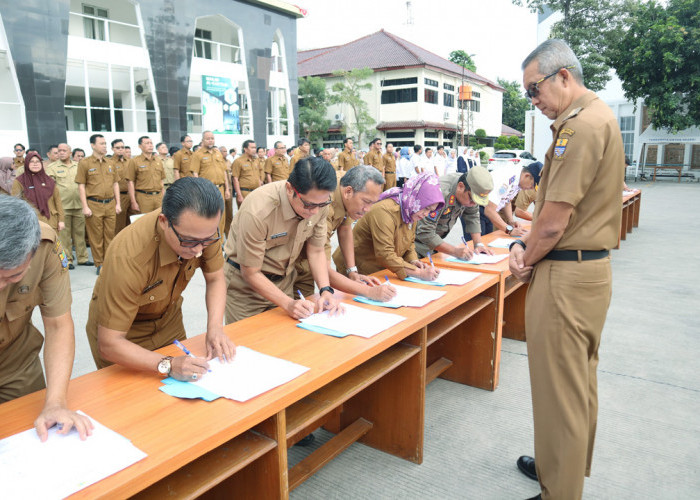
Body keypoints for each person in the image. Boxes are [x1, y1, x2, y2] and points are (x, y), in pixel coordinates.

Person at [509, 39, 624, 500]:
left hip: (565, 275)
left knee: (561, 392)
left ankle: (559, 490)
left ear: (563, 77)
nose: (533, 102)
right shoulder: (590, 119)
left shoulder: (580, 128)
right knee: (574, 386)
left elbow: (554, 222)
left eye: (534, 90)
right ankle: (560, 465)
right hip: (583, 271)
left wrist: (524, 258)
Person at [86, 177, 236, 378]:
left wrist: (215, 327)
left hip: (168, 320)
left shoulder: (202, 230)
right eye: (190, 242)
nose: (200, 249)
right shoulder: (129, 255)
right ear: (164, 222)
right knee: (134, 401)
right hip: (126, 335)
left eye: (207, 240)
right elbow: (110, 343)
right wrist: (168, 364)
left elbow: (216, 278)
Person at [0, 196, 93, 441]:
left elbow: (58, 324)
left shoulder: (44, 245)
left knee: (34, 440)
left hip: (16, 364)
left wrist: (56, 403)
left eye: (11, 277)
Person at [224, 156, 342, 322]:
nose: (315, 211)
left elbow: (316, 251)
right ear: (289, 189)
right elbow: (250, 272)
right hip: (246, 291)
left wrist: (325, 290)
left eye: (322, 204)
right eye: (308, 205)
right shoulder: (258, 211)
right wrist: (288, 304)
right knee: (248, 343)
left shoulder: (319, 203)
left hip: (283, 283)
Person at [294, 164, 396, 301]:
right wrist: (370, 292)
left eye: (372, 203)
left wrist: (352, 271)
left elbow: (345, 227)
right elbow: (323, 268)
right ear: (348, 192)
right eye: (366, 202)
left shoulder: (347, 188)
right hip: (289, 261)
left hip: (305, 262)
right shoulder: (325, 205)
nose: (368, 209)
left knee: (306, 307)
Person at [334, 172, 443, 281]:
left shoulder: (410, 210)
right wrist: (419, 273)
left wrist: (413, 261)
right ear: (417, 199)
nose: (426, 214)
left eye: (430, 210)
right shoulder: (385, 211)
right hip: (356, 270)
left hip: (380, 271)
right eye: (426, 208)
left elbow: (409, 243)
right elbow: (385, 254)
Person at [414, 169, 495, 259]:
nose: (473, 204)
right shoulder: (439, 193)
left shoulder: (471, 186)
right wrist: (454, 251)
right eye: (472, 199)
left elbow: (472, 215)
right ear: (460, 186)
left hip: (434, 244)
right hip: (414, 245)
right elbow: (425, 232)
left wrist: (478, 244)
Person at [75, 134, 122, 275]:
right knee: (96, 236)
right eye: (101, 143)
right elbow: (81, 186)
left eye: (105, 143)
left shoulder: (110, 163)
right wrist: (85, 206)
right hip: (94, 204)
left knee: (109, 235)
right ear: (93, 145)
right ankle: (99, 263)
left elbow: (115, 184)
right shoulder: (85, 163)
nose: (105, 146)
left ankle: (109, 262)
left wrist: (118, 203)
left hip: (110, 203)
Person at [45, 143, 92, 269]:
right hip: (63, 206)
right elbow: (50, 189)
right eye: (59, 151)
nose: (61, 153)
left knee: (80, 233)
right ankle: (68, 260)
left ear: (70, 153)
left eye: (64, 150)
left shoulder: (79, 166)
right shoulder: (52, 167)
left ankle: (82, 258)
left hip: (79, 205)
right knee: (64, 235)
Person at [12, 152, 65, 234]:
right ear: (26, 163)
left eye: (38, 161)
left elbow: (58, 202)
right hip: (31, 223)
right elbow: (15, 204)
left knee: (52, 245)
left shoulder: (49, 180)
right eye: (31, 161)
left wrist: (61, 220)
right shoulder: (20, 181)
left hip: (51, 221)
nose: (35, 164)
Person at [190, 131, 230, 239]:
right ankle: (210, 240)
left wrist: (227, 189)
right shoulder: (198, 154)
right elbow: (195, 174)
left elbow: (224, 172)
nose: (210, 140)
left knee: (221, 216)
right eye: (208, 138)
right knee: (209, 216)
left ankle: (220, 242)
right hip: (207, 190)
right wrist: (199, 191)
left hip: (220, 188)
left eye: (212, 138)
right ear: (202, 140)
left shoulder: (218, 153)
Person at [483, 163, 541, 236]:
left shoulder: (518, 179)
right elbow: (489, 210)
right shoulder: (508, 178)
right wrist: (509, 230)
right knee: (477, 244)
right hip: (478, 209)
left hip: (487, 212)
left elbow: (507, 201)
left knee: (487, 241)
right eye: (532, 185)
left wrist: (511, 221)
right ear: (527, 176)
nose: (531, 189)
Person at [126, 136, 165, 215]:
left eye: (151, 143)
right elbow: (130, 182)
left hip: (158, 197)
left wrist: (164, 198)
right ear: (140, 146)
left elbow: (161, 181)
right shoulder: (134, 161)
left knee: (159, 221)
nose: (150, 145)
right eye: (147, 143)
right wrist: (133, 202)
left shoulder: (158, 161)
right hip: (143, 197)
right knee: (145, 223)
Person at [231, 139, 262, 207]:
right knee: (245, 215)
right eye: (252, 148)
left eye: (255, 147)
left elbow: (258, 177)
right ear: (245, 149)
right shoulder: (238, 161)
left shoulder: (256, 160)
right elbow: (235, 179)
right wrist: (239, 195)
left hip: (256, 192)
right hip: (245, 192)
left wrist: (260, 191)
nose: (254, 150)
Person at [109, 139, 131, 234]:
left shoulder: (130, 162)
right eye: (117, 148)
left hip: (131, 196)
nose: (121, 149)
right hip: (119, 197)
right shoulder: (109, 163)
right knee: (119, 225)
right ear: (112, 149)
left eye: (122, 147)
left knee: (132, 222)